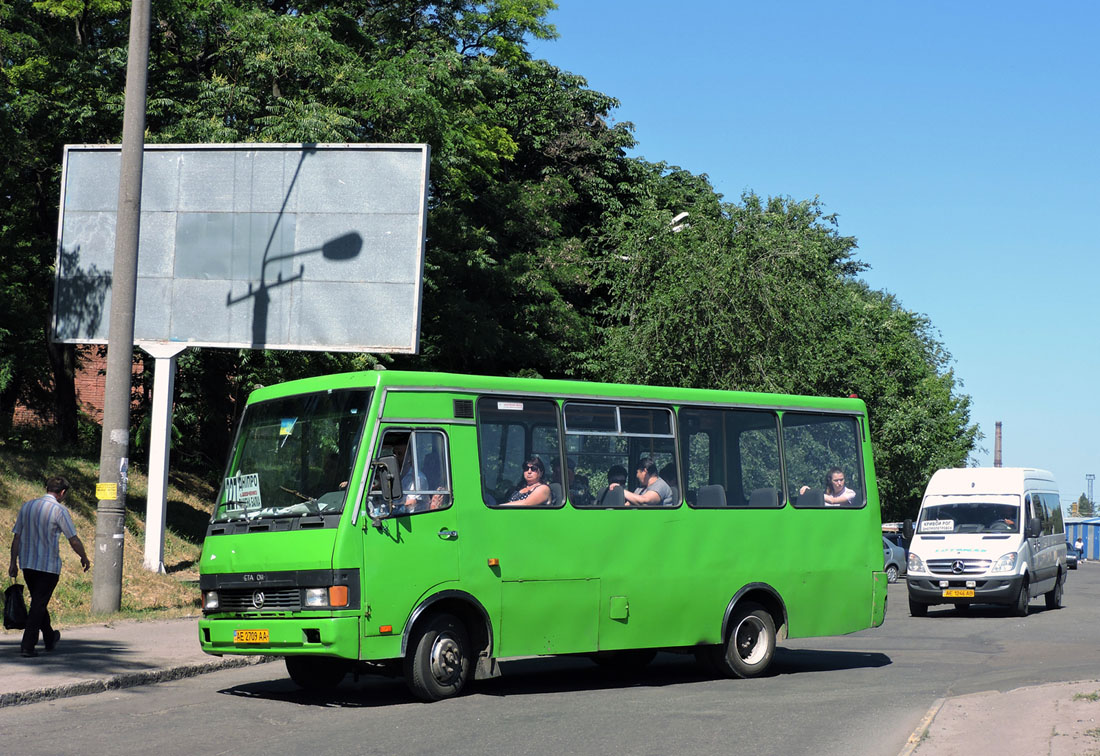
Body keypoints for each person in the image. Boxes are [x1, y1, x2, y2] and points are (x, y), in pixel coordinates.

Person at [8, 476, 91, 658]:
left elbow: (16, 537)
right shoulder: (59, 510)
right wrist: (84, 557)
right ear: (62, 493)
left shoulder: (27, 507)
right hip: (48, 566)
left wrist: (12, 562)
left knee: (39, 601)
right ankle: (27, 646)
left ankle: (49, 636)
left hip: (27, 564)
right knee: (38, 604)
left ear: (47, 488)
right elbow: (73, 539)